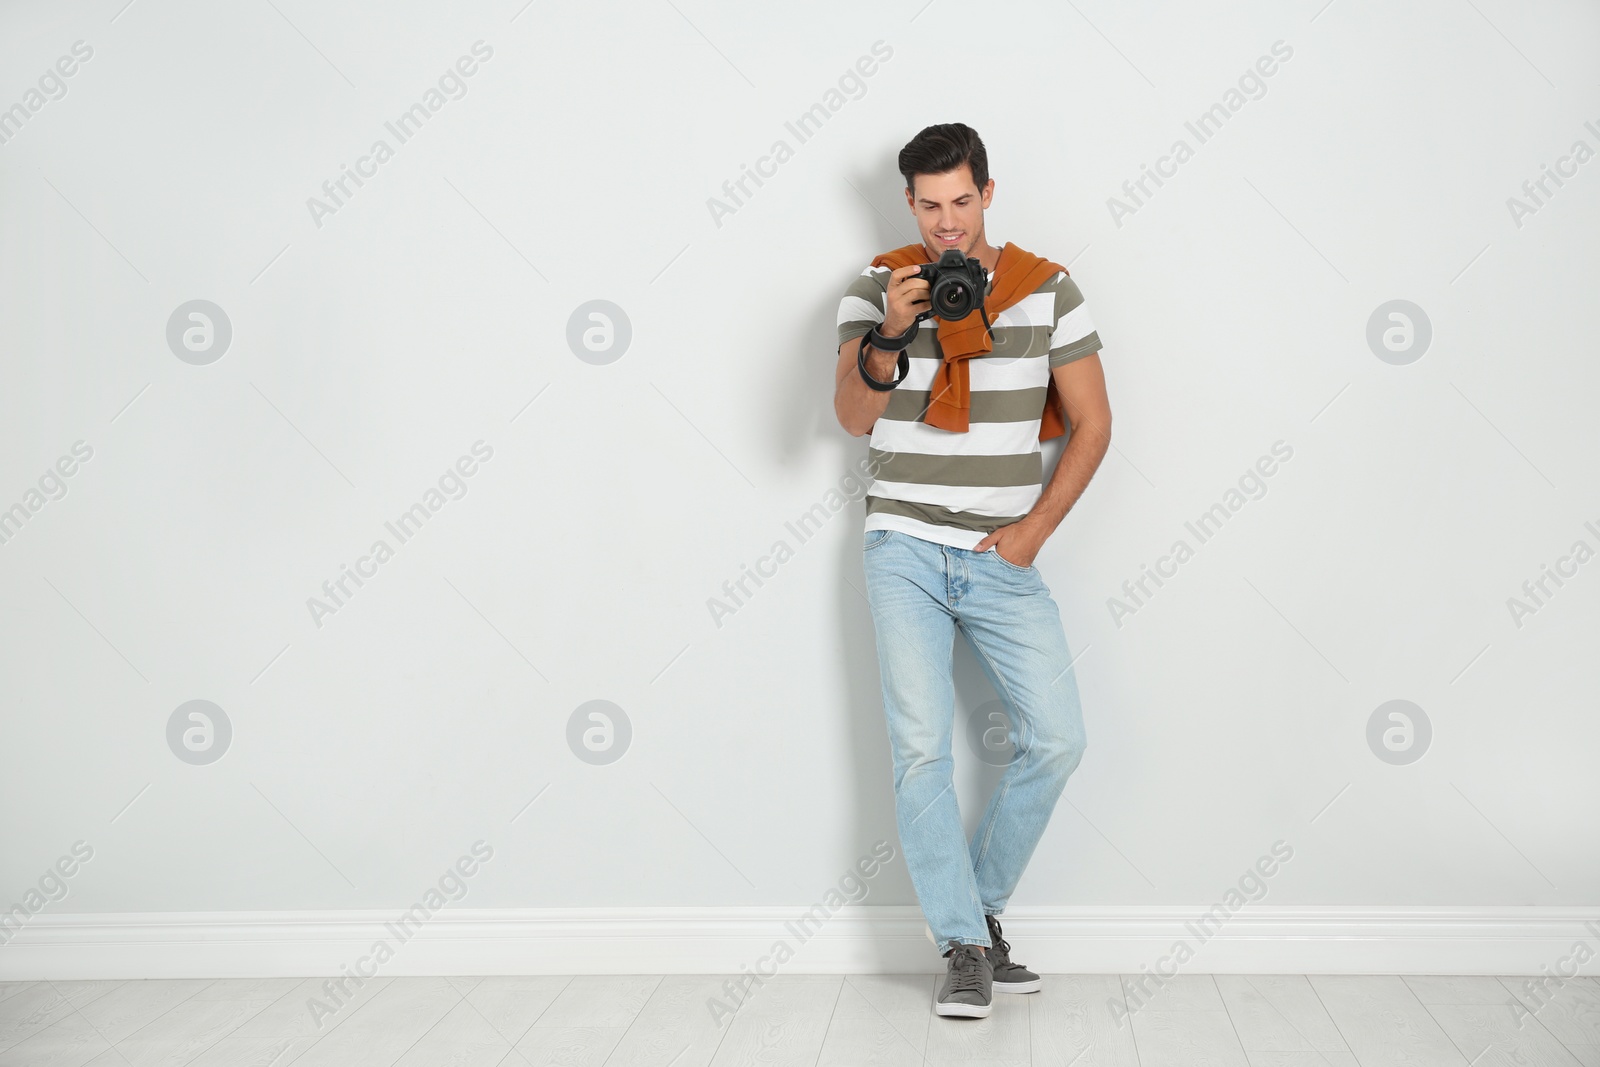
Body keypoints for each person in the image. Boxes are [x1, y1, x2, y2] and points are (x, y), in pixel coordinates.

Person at [832, 122, 1111, 1018]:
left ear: (987, 193)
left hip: (999, 554)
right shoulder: (880, 287)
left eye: (962, 201)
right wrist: (892, 333)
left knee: (1059, 738)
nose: (948, 224)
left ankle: (979, 917)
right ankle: (960, 944)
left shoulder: (1049, 291)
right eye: (929, 205)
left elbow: (1094, 423)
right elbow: (849, 414)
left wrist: (1032, 530)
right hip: (903, 545)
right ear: (908, 204)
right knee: (922, 753)